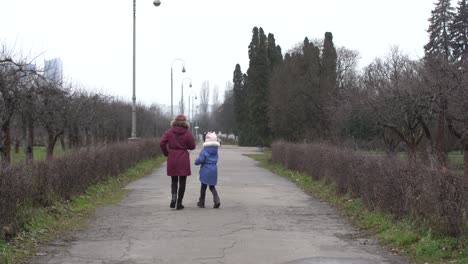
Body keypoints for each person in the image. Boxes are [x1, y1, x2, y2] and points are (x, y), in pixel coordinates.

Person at [160, 114, 196, 210]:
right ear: (185, 123)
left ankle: (173, 198)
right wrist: (186, 146)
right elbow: (192, 146)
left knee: (174, 180)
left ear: (174, 122)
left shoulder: (169, 132)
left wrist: (166, 153)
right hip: (183, 158)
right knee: (182, 181)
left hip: (172, 157)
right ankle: (179, 203)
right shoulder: (187, 133)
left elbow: (162, 143)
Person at [195, 132, 221, 208]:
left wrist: (196, 161)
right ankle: (217, 200)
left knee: (203, 187)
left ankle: (201, 202)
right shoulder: (215, 150)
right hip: (214, 169)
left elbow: (201, 159)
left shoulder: (205, 150)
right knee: (212, 186)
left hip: (205, 170)